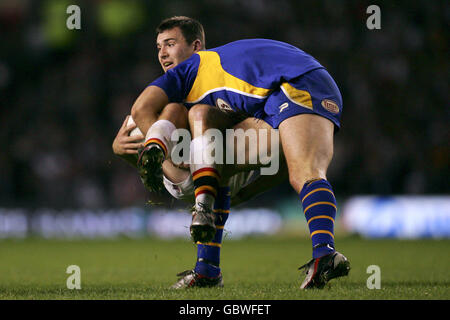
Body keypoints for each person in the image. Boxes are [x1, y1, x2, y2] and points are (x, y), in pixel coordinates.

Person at [113, 16, 288, 289]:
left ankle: (206, 270)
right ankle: (207, 266)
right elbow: (129, 146)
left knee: (185, 115)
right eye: (158, 47)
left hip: (222, 161)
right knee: (176, 112)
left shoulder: (221, 78)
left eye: (170, 44)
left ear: (196, 47)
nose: (162, 53)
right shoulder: (166, 89)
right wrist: (120, 149)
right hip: (187, 169)